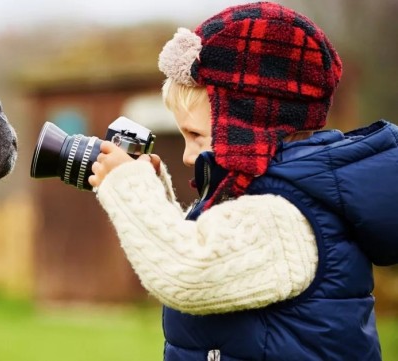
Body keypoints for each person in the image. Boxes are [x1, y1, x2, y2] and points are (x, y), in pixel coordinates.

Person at [88, 2, 398, 360]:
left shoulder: (284, 215)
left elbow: (187, 273)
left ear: (248, 127)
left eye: (197, 135)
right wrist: (156, 197)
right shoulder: (281, 194)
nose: (189, 157)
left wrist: (130, 187)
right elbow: (208, 250)